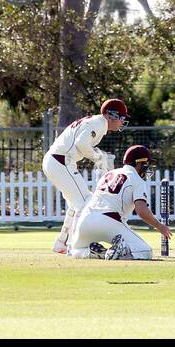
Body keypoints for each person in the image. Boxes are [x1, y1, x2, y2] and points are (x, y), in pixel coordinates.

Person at [43, 98, 126, 254]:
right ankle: (75, 246)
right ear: (111, 115)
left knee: (77, 203)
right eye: (121, 117)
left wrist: (98, 156)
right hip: (61, 161)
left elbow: (81, 144)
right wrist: (97, 157)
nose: (122, 121)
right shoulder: (99, 123)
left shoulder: (98, 123)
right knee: (84, 203)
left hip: (58, 161)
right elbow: (81, 144)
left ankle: (62, 242)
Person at [67, 144, 171, 260]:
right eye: (145, 164)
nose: (147, 168)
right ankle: (119, 251)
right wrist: (159, 226)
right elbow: (141, 210)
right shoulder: (136, 179)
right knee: (145, 251)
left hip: (86, 219)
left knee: (76, 251)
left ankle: (99, 253)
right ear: (138, 163)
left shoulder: (108, 174)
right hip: (109, 220)